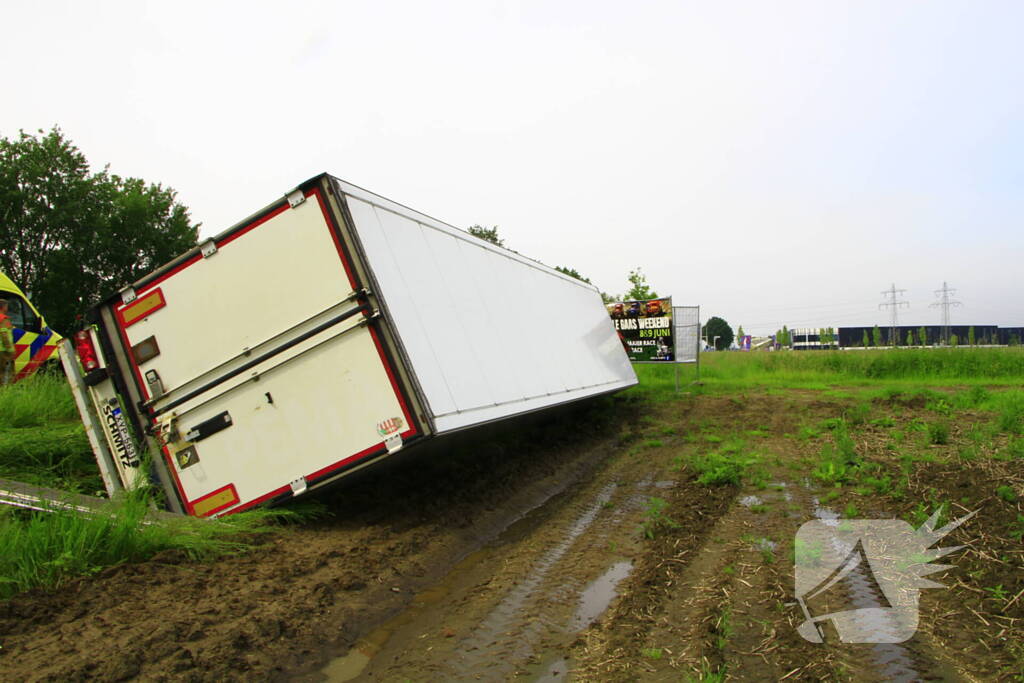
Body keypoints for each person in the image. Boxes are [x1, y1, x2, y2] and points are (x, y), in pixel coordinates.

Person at [0, 298, 15, 384]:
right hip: (3, 351)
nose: (7, 308)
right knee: (5, 374)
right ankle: (4, 390)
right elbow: (4, 335)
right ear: (3, 307)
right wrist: (9, 349)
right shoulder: (3, 319)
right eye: (7, 306)